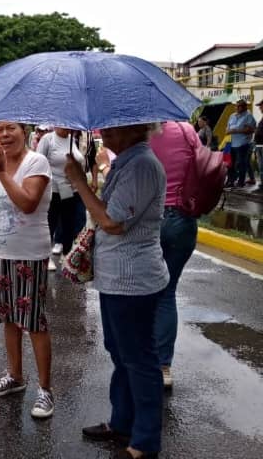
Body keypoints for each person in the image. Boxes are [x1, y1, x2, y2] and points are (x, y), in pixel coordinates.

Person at [65, 123, 169, 459]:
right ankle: (121, 422)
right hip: (116, 278)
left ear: (134, 129)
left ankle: (145, 441)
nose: (105, 135)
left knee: (139, 359)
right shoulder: (126, 161)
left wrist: (79, 184)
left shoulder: (142, 165)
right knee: (120, 353)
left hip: (133, 281)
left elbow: (113, 222)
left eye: (112, 130)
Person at [0, 121, 54, 419]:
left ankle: (45, 391)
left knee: (34, 322)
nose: (4, 134)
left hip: (29, 254)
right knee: (10, 319)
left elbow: (28, 203)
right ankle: (15, 376)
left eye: (11, 128)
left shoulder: (36, 162)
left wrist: (1, 173)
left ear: (24, 131)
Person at [144, 121, 200, 390]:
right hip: (182, 218)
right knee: (167, 292)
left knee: (143, 292)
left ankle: (141, 359)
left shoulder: (140, 132)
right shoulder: (186, 130)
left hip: (148, 218)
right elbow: (201, 163)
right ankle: (163, 366)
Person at [37, 127, 87, 267]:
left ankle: (66, 255)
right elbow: (38, 162)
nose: (65, 127)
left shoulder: (71, 139)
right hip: (52, 189)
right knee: (50, 223)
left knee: (68, 223)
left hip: (69, 189)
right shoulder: (48, 139)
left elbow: (78, 160)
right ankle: (46, 257)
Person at [225, 99, 256, 188]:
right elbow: (227, 129)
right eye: (236, 106)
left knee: (241, 163)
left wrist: (236, 130)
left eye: (239, 106)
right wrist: (232, 130)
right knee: (229, 163)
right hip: (230, 143)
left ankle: (241, 182)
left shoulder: (248, 116)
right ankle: (230, 181)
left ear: (245, 107)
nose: (237, 108)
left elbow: (251, 130)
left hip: (243, 143)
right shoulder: (232, 116)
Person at [255, 100, 263, 192]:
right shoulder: (261, 118)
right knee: (261, 166)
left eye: (261, 105)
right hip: (259, 145)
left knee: (262, 166)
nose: (260, 107)